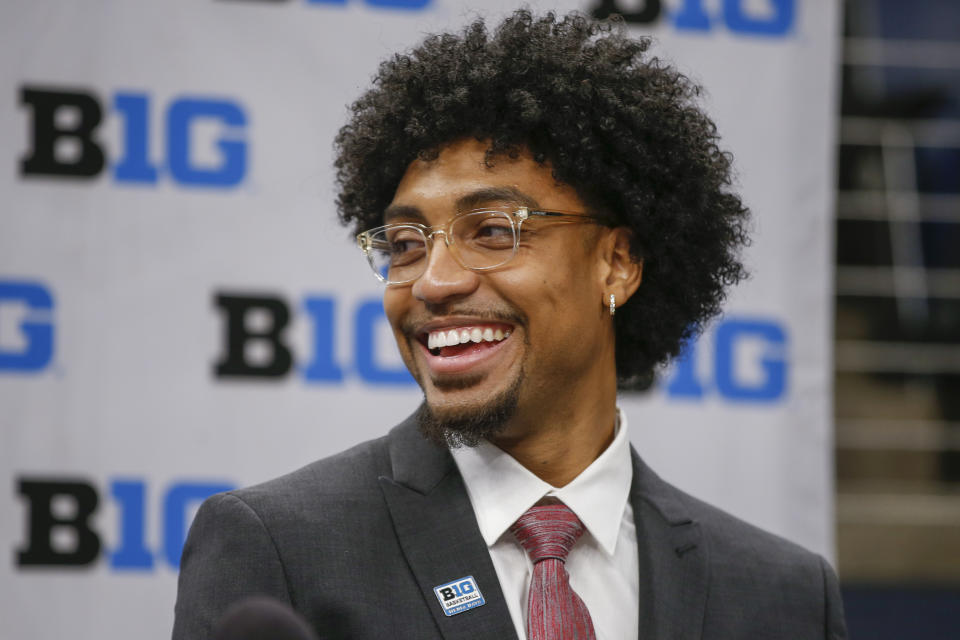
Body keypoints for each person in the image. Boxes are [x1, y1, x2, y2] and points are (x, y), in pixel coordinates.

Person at [173, 10, 847, 640]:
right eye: (405, 243)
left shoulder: (782, 595)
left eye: (493, 231)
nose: (434, 282)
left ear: (617, 264)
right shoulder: (278, 549)